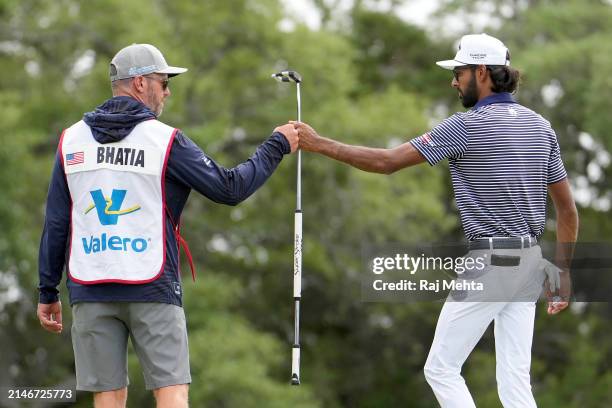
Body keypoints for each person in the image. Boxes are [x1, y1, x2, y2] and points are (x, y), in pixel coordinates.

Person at [293, 33, 578, 407]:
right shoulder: (540, 126)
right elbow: (568, 211)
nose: (454, 81)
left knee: (441, 368)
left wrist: (319, 144)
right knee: (515, 381)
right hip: (530, 262)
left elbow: (386, 162)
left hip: (491, 262)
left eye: (459, 72)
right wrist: (563, 271)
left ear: (482, 72)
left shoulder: (466, 125)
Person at [37, 43, 298, 408]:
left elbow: (56, 221)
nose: (168, 91)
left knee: (107, 397)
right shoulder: (164, 140)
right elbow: (230, 188)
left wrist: (47, 291)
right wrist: (276, 146)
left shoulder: (70, 140)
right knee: (172, 393)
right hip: (152, 284)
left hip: (90, 284)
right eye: (163, 81)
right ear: (141, 83)